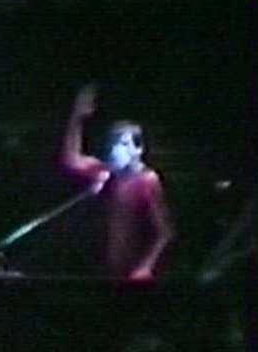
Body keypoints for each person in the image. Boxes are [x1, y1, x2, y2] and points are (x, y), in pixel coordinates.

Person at [59, 83, 175, 283]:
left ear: (137, 149)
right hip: (103, 271)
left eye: (122, 143)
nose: (114, 150)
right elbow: (71, 159)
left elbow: (165, 232)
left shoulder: (146, 179)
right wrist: (77, 117)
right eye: (112, 143)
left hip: (132, 272)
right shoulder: (106, 172)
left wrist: (146, 267)